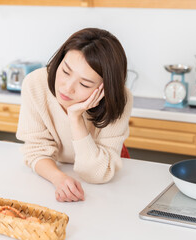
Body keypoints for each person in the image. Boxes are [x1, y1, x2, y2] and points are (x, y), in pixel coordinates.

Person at [16, 28, 133, 202]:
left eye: (85, 84)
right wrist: (58, 178)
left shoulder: (119, 99)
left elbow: (97, 173)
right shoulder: (35, 84)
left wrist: (75, 118)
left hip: (107, 183)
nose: (67, 88)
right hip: (60, 169)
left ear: (105, 89)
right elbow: (36, 150)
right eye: (65, 71)